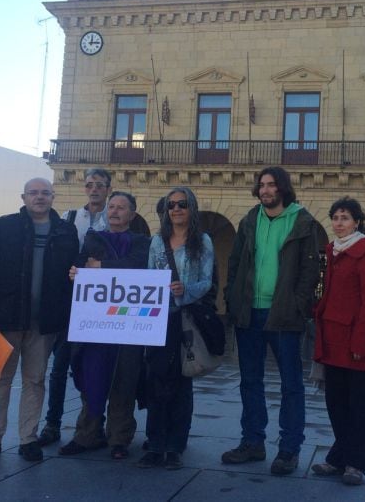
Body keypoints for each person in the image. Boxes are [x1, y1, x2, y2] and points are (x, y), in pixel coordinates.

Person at [0, 178, 78, 463]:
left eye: (45, 193)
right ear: (24, 196)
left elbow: (73, 277)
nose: (39, 197)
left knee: (35, 379)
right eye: (34, 193)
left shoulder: (66, 231)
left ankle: (28, 438)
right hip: (4, 319)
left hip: (44, 322)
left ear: (53, 197)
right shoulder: (5, 226)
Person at [221, 166, 320, 476]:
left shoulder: (302, 222)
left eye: (271, 185)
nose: (265, 190)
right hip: (249, 312)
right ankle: (252, 442)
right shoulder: (249, 221)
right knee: (250, 381)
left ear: (283, 189)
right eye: (261, 185)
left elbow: (310, 272)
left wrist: (298, 305)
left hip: (284, 315)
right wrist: (233, 297)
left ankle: (289, 450)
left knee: (292, 385)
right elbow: (235, 262)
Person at [58, 191, 150, 459]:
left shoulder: (142, 242)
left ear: (132, 214)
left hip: (129, 325)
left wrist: (101, 266)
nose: (115, 211)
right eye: (112, 206)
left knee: (125, 380)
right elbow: (81, 265)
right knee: (92, 378)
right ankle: (87, 434)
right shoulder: (92, 238)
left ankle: (119, 438)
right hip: (97, 325)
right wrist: (78, 270)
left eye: (122, 207)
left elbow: (138, 267)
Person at [311, 197, 365, 486]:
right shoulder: (333, 251)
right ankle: (338, 457)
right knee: (335, 404)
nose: (338, 223)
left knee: (357, 406)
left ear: (357, 221)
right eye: (335, 218)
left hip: (356, 343)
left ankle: (356, 463)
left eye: (344, 218)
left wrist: (360, 343)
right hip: (332, 338)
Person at [138, 187, 214, 470]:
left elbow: (206, 281)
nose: (176, 209)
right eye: (171, 205)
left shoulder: (203, 241)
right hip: (159, 318)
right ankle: (155, 443)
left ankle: (175, 446)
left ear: (191, 208)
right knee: (156, 380)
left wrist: (185, 290)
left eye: (182, 204)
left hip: (185, 318)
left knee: (182, 382)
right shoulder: (157, 241)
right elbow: (148, 276)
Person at [38, 168, 111, 447]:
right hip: (68, 302)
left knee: (94, 367)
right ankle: (52, 423)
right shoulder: (69, 217)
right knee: (59, 366)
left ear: (107, 189)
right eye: (90, 185)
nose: (94, 189)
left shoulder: (115, 216)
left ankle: (94, 424)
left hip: (99, 302)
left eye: (100, 185)